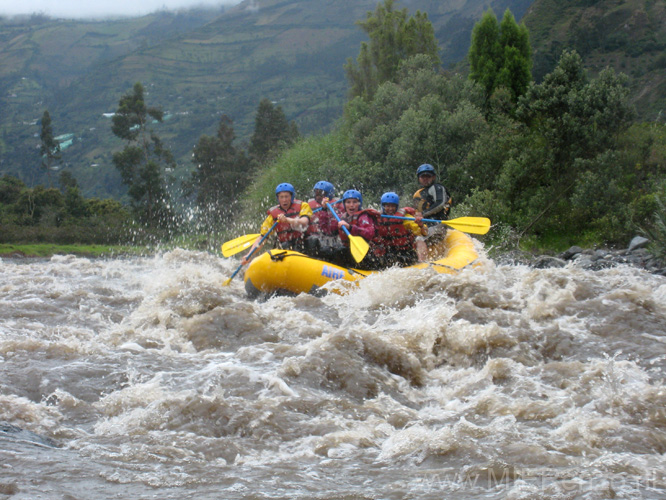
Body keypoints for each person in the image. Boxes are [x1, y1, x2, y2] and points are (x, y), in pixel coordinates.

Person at [241, 183, 312, 265]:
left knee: (313, 241)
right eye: (281, 197)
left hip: (304, 244)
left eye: (286, 196)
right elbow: (262, 238)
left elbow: (304, 221)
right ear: (278, 198)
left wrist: (288, 220)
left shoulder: (303, 205)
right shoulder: (273, 215)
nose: (284, 200)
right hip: (286, 247)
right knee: (285, 246)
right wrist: (249, 255)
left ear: (291, 197)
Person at [334, 189, 383, 270]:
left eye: (355, 202)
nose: (351, 205)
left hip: (367, 253)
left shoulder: (364, 216)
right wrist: (325, 209)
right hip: (351, 250)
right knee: (335, 250)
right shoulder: (342, 218)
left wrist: (350, 227)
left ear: (359, 204)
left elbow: (369, 233)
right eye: (348, 202)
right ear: (344, 204)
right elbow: (328, 228)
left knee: (341, 251)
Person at [375, 191, 428, 267]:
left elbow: (424, 233)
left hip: (406, 252)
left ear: (397, 207)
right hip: (388, 252)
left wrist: (421, 225)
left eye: (393, 206)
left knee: (419, 239)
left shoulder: (405, 218)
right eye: (387, 206)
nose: (390, 209)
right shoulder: (377, 219)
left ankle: (422, 263)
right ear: (383, 206)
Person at [412, 164, 452, 260]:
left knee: (419, 239)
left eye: (428, 176)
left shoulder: (437, 188)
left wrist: (423, 214)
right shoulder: (422, 193)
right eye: (422, 176)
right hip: (427, 227)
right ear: (419, 178)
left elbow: (440, 204)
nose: (425, 179)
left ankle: (422, 265)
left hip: (437, 225)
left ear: (433, 177)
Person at [303, 181, 345, 261]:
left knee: (336, 249)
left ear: (329, 195)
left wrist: (324, 209)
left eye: (321, 194)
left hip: (333, 238)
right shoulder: (308, 205)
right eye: (316, 194)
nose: (318, 197)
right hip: (317, 237)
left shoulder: (338, 204)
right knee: (312, 241)